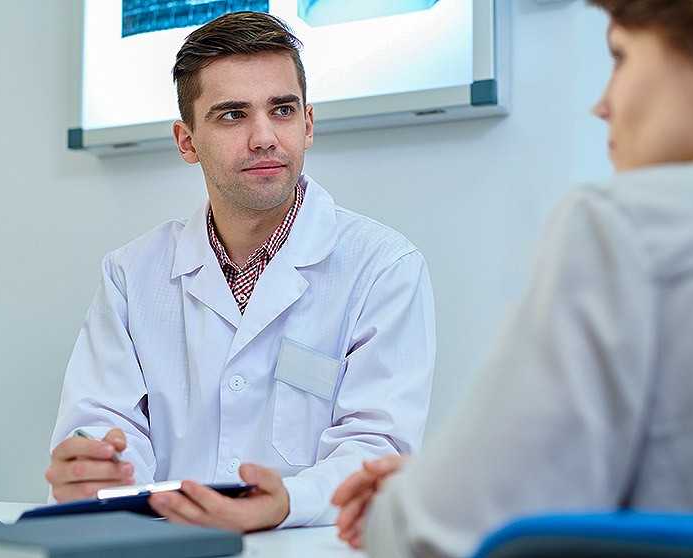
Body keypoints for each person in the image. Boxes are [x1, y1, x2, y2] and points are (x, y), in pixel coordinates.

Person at [332, 0, 693, 555]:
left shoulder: (623, 226)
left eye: (620, 56)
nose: (602, 105)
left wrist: (413, 497)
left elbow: (440, 534)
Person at [45, 11, 435, 533]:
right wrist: (94, 473)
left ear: (309, 124)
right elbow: (105, 432)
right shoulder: (130, 277)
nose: (264, 137)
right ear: (186, 141)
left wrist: (287, 503)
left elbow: (374, 451)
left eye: (282, 110)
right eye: (233, 115)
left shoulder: (384, 268)